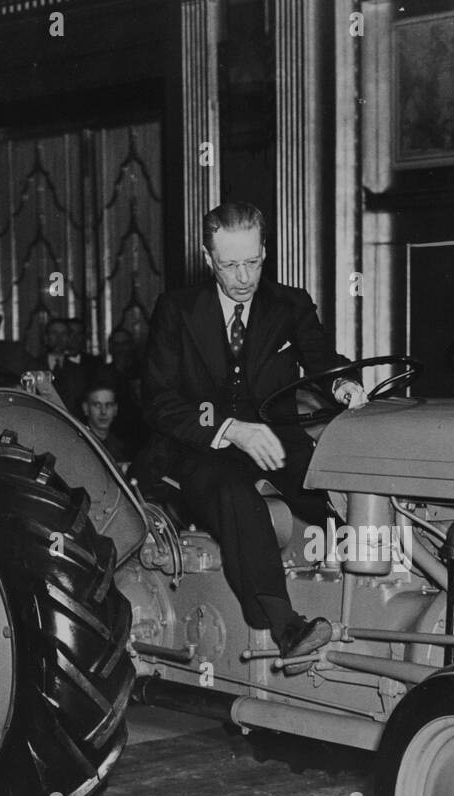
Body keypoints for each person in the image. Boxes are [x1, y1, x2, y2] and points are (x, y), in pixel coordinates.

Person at [141, 200, 365, 660]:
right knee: (235, 499)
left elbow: (322, 362)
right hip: (202, 449)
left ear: (265, 251)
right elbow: (159, 401)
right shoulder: (176, 310)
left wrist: (343, 384)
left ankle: (371, 601)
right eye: (230, 265)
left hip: (279, 440)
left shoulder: (290, 304)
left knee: (340, 499)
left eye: (253, 262)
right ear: (208, 260)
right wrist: (230, 429)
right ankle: (285, 626)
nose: (244, 277)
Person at [81, 385, 131, 465]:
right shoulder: (79, 444)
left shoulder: (121, 448)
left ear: (115, 409)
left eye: (108, 405)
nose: (103, 411)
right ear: (86, 408)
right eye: (97, 405)